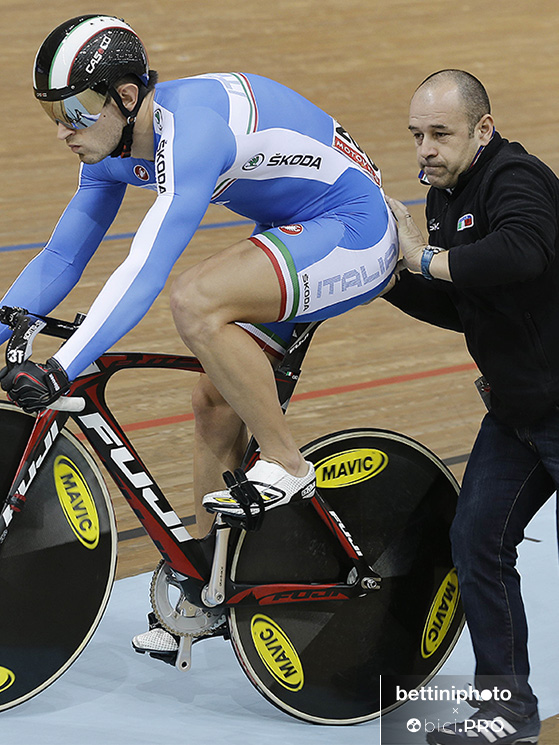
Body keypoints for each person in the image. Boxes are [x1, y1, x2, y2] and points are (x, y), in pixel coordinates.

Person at [0, 17, 397, 655]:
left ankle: (287, 463)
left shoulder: (192, 134)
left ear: (127, 97)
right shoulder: (115, 148)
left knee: (195, 298)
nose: (62, 131)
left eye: (75, 111)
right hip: (299, 232)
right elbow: (60, 260)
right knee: (215, 407)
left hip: (350, 229)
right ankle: (206, 590)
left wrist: (64, 363)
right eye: (53, 113)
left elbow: (147, 268)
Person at [384, 69, 558, 745]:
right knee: (476, 540)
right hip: (518, 412)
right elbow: (466, 302)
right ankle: (507, 709)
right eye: (416, 135)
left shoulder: (514, 180)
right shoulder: (444, 196)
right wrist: (387, 278)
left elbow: (518, 254)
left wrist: (422, 259)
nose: (424, 148)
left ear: (482, 130)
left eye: (439, 134)